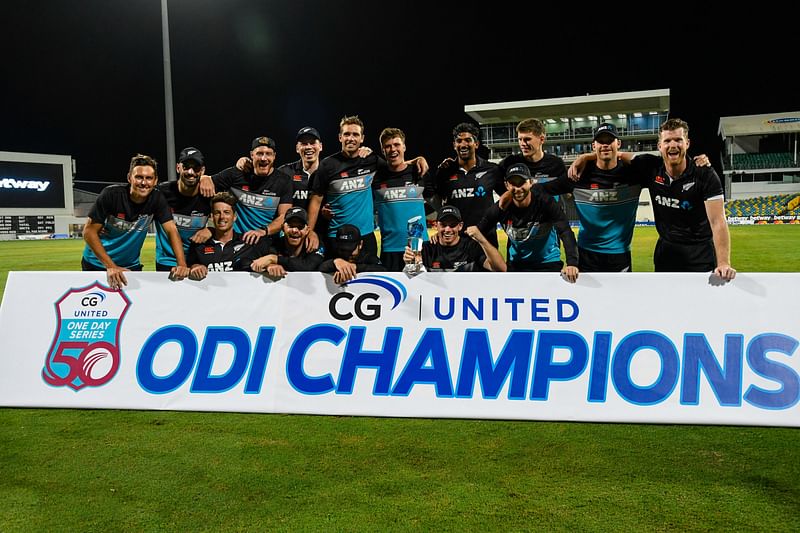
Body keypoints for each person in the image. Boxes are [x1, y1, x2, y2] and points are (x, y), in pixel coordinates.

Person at [570, 118, 735, 280]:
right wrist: (586, 157)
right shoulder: (651, 167)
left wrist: (723, 263)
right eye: (667, 140)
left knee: (700, 305)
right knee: (664, 305)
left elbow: (718, 221)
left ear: (687, 143)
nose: (672, 145)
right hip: (666, 251)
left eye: (678, 140)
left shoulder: (705, 175)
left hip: (700, 253)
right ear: (660, 146)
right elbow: (616, 154)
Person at [307, 116, 428, 258]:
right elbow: (316, 200)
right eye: (346, 134)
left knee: (369, 278)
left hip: (366, 236)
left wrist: (417, 160)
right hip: (337, 237)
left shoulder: (371, 161)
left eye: (355, 134)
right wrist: (310, 231)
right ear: (340, 137)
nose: (351, 138)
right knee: (338, 277)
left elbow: (396, 165)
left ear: (362, 138)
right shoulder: (328, 165)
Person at [536, 123, 642, 272]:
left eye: (609, 141)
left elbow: (653, 163)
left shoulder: (634, 174)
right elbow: (542, 190)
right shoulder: (578, 175)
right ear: (594, 145)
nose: (605, 145)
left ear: (618, 143)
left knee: (619, 296)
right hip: (585, 253)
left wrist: (587, 156)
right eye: (600, 142)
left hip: (619, 254)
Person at [82, 153, 189, 289]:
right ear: (129, 178)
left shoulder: (157, 199)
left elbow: (171, 230)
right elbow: (89, 232)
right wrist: (111, 266)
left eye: (149, 178)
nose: (144, 183)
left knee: (131, 308)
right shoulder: (111, 195)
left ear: (155, 181)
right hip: (97, 264)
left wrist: (181, 264)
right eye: (139, 177)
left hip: (131, 266)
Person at [479, 164, 579, 282]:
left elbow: (565, 231)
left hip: (548, 263)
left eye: (521, 182)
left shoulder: (545, 202)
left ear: (531, 182)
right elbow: (478, 232)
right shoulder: (500, 208)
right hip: (516, 265)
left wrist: (572, 263)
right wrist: (482, 259)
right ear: (506, 185)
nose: (518, 188)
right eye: (513, 183)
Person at [201, 136, 293, 245]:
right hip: (234, 242)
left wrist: (263, 231)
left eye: (268, 154)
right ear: (251, 155)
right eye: (259, 153)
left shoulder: (283, 181)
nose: (264, 158)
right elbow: (208, 183)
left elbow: (284, 217)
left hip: (265, 241)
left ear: (274, 156)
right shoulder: (236, 174)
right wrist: (204, 178)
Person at [424, 122, 504, 247]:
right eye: (459, 141)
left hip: (486, 240)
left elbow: (505, 198)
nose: (463, 144)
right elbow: (437, 202)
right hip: (456, 243)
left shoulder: (492, 170)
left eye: (468, 140)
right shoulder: (445, 172)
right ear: (454, 145)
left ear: (476, 144)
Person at [372, 127, 429, 271]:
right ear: (383, 150)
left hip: (419, 247)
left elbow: (436, 200)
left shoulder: (419, 172)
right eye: (388, 146)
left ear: (404, 146)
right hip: (390, 249)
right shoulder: (376, 179)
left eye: (397, 145)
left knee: (423, 291)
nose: (393, 149)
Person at [186, 192, 272, 280]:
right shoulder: (199, 244)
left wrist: (271, 266)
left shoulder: (249, 242)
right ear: (211, 217)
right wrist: (195, 267)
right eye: (217, 213)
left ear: (234, 217)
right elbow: (189, 266)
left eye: (226, 212)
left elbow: (269, 262)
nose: (222, 217)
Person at [154, 146, 212, 272]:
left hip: (198, 261)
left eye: (196, 167)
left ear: (202, 170)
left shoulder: (208, 194)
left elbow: (228, 217)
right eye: (186, 166)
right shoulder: (161, 192)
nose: (190, 172)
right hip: (167, 261)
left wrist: (211, 229)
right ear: (178, 167)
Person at [403, 205, 506, 272]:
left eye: (452, 225)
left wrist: (482, 239)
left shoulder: (472, 247)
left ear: (460, 226)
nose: (447, 229)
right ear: (436, 225)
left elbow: (501, 269)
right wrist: (411, 263)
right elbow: (411, 279)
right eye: (443, 225)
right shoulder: (425, 248)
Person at [249, 206, 325, 278]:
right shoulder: (272, 243)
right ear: (282, 228)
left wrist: (274, 259)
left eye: (300, 227)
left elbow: (308, 266)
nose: (295, 230)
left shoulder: (315, 243)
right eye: (290, 226)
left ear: (307, 230)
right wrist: (268, 266)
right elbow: (244, 261)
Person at [319, 224, 386, 284]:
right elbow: (320, 268)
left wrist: (354, 267)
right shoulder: (334, 255)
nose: (347, 254)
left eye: (351, 250)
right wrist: (335, 262)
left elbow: (382, 269)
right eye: (343, 250)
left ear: (360, 244)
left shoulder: (367, 257)